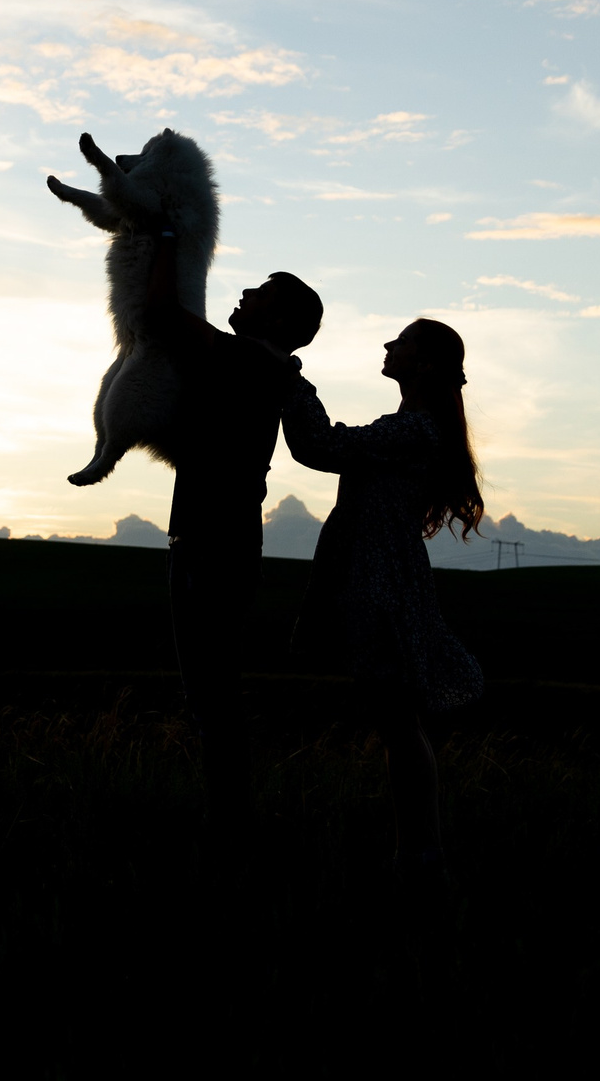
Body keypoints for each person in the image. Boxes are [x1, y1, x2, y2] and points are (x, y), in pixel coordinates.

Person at [281, 318, 484, 883]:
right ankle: (416, 852)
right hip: (378, 579)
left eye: (402, 342)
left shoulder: (414, 430)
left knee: (398, 722)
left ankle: (421, 855)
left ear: (422, 364)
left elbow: (320, 445)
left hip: (383, 585)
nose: (389, 346)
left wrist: (288, 376)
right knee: (397, 722)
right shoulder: (411, 426)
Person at [138, 225, 324, 835]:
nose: (246, 292)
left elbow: (163, 311)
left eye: (264, 294)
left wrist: (166, 232)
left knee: (212, 699)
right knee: (211, 697)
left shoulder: (249, 360)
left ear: (280, 323)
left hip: (212, 549)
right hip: (210, 544)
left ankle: (231, 829)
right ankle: (230, 822)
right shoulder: (262, 366)